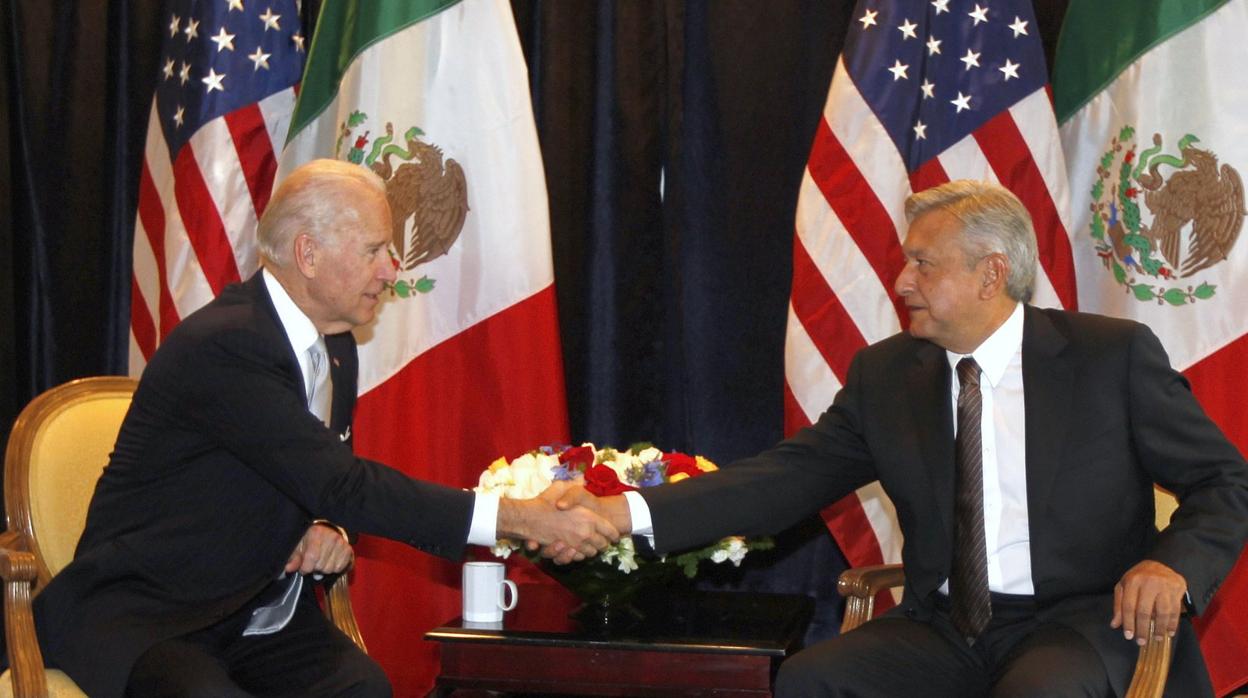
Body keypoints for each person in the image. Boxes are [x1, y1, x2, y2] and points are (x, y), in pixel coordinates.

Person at [556, 180, 1248, 696]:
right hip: (942, 626)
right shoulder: (888, 375)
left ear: (991, 273)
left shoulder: (1109, 357)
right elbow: (782, 480)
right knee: (810, 680)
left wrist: (1173, 566)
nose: (900, 280)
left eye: (923, 264)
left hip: (1080, 621)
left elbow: (1225, 480)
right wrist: (623, 513)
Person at [30, 159, 617, 698]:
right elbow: (343, 483)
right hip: (150, 613)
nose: (392, 269)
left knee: (364, 688)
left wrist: (326, 525)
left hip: (255, 613)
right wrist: (516, 517)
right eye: (375, 250)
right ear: (308, 254)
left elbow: (311, 479)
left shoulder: (335, 346)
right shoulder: (227, 345)